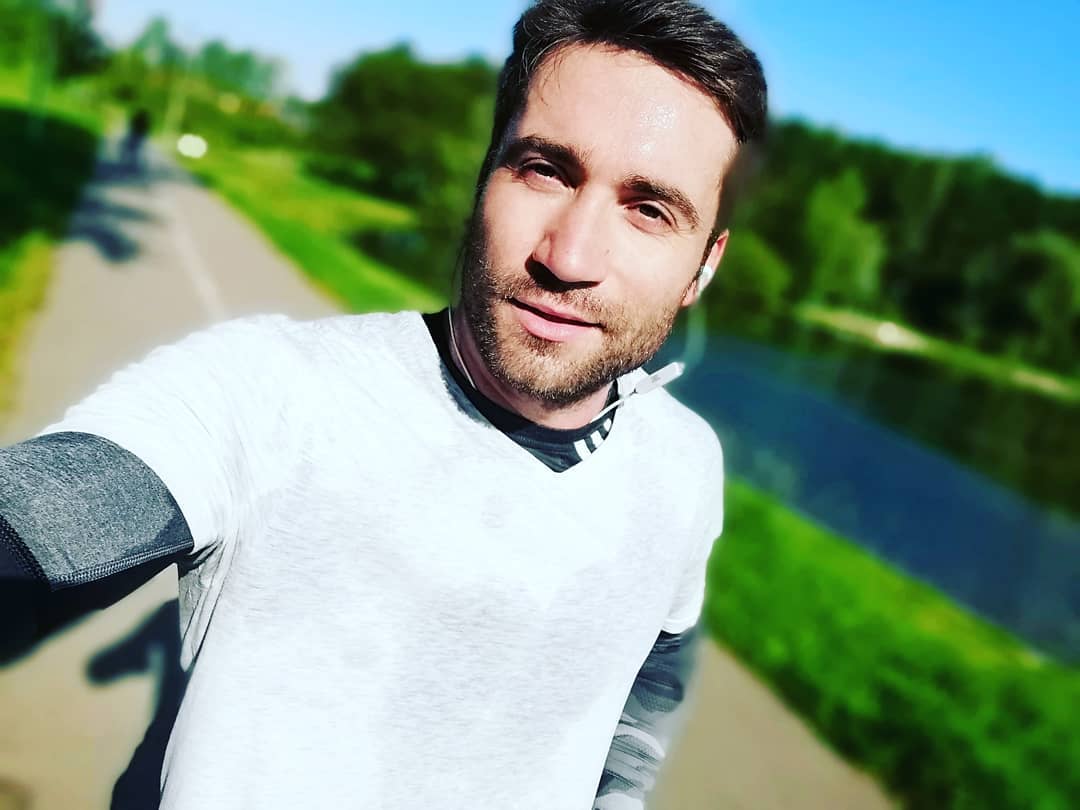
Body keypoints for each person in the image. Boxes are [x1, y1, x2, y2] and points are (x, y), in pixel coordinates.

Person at [0, 0, 766, 806]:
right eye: (545, 170)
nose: (569, 257)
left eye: (649, 210)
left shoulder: (686, 464)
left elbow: (652, 679)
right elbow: (42, 518)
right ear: (484, 178)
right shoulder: (271, 390)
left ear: (704, 267)